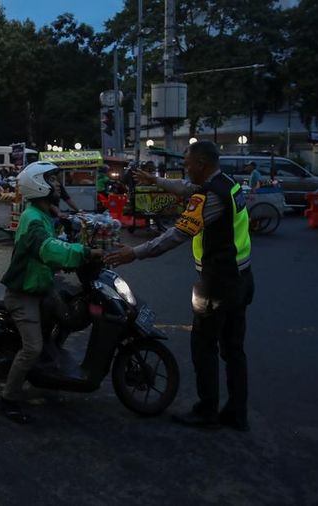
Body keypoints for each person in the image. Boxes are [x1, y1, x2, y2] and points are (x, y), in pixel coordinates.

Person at [106, 141, 254, 431]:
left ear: (201, 164)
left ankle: (206, 411)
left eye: (187, 163)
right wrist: (155, 181)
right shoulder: (227, 184)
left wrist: (133, 253)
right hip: (242, 279)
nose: (185, 168)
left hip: (216, 284)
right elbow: (188, 189)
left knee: (204, 347)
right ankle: (237, 414)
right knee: (234, 350)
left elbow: (177, 234)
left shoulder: (210, 197)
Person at [0, 161, 104, 424]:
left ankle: (51, 363)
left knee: (70, 311)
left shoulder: (44, 213)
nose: (58, 185)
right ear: (39, 185)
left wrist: (72, 227)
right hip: (23, 292)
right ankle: (9, 397)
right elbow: (48, 249)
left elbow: (56, 242)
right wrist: (84, 253)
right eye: (53, 180)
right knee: (32, 348)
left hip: (41, 284)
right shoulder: (32, 219)